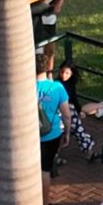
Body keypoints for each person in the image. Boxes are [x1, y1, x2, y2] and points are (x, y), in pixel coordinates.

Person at [35, 50, 74, 182]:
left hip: (30, 134)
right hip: (52, 132)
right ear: (47, 68)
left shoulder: (25, 87)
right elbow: (66, 115)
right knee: (45, 170)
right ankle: (45, 202)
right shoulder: (57, 87)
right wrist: (67, 133)